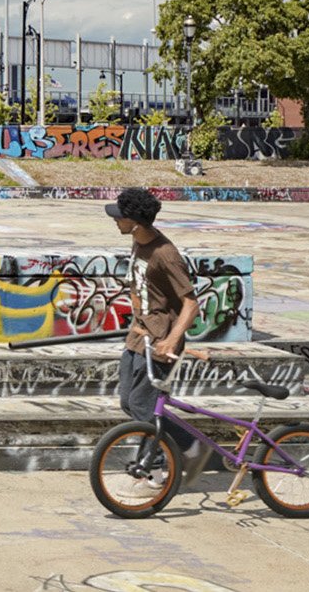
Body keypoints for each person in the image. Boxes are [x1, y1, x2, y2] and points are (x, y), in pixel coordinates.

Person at [106, 187, 210, 489]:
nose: (116, 221)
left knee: (143, 406)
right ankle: (184, 447)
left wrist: (171, 340)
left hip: (163, 342)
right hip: (139, 338)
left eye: (120, 217)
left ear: (135, 223)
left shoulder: (166, 254)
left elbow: (191, 303)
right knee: (130, 402)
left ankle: (162, 462)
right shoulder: (139, 242)